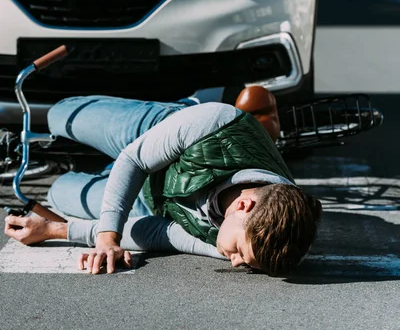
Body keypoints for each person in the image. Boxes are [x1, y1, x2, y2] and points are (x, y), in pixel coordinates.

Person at [4, 86, 322, 277]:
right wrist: (106, 236)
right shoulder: (218, 124)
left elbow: (158, 233)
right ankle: (194, 106)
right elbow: (134, 159)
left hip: (156, 200)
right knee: (60, 115)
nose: (236, 263)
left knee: (59, 192)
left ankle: (98, 173)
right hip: (157, 136)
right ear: (243, 204)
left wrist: (57, 230)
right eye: (239, 251)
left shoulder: (250, 239)